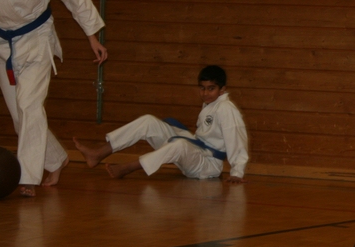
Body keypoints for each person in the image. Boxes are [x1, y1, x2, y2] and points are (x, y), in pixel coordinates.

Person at [0, 0, 107, 197]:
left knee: (29, 106)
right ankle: (57, 159)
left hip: (36, 42)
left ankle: (27, 176)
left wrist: (92, 36)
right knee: (21, 116)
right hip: (3, 45)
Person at [73, 65, 249, 184]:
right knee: (148, 121)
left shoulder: (226, 108)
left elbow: (237, 139)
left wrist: (237, 172)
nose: (205, 93)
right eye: (202, 88)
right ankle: (99, 153)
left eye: (211, 88)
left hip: (207, 165)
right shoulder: (212, 104)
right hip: (196, 151)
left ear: (222, 89)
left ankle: (128, 168)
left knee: (180, 144)